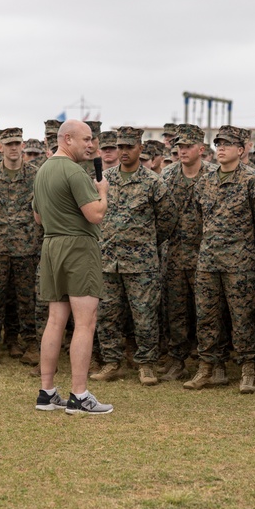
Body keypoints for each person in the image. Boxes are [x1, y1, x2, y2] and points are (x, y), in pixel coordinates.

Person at [32, 119, 112, 414]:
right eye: (86, 139)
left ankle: (47, 392)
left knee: (55, 321)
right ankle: (79, 394)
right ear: (67, 139)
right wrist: (102, 191)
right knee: (85, 322)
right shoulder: (74, 171)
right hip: (78, 247)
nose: (91, 145)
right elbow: (95, 215)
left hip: (51, 246)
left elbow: (39, 218)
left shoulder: (43, 171)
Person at [183, 125, 255, 393]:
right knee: (207, 317)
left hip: (240, 263)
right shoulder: (205, 181)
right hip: (208, 261)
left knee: (243, 318)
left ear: (241, 150)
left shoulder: (252, 181)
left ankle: (247, 370)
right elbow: (199, 220)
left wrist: (241, 246)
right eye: (218, 144)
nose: (220, 148)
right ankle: (209, 368)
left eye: (227, 144)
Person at [89, 126, 175, 385]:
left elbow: (168, 220)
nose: (123, 152)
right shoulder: (104, 178)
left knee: (145, 315)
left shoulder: (153, 182)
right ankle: (112, 362)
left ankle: (147, 365)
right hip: (108, 260)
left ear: (140, 148)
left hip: (141, 263)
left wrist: (145, 242)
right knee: (107, 314)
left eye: (129, 147)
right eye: (120, 147)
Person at [0, 127, 41, 367]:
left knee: (27, 299)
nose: (13, 148)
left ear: (23, 146)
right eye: (9, 144)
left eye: (17, 143)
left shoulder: (36, 175)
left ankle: (31, 344)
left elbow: (41, 211)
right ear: (0, 147)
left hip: (26, 247)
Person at [158, 124, 215, 382]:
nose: (182, 151)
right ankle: (177, 360)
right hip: (175, 256)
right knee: (176, 312)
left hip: (206, 256)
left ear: (201, 149)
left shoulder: (213, 175)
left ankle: (212, 363)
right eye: (179, 146)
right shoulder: (167, 176)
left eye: (188, 146)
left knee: (208, 313)